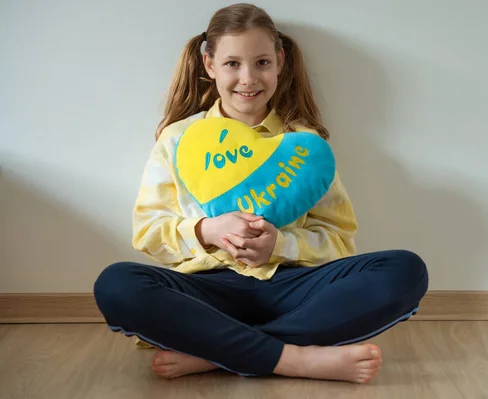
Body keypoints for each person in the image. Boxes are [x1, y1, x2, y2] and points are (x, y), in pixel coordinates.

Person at [93, 2, 428, 384]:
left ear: (280, 62)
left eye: (262, 63)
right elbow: (148, 231)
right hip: (206, 288)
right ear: (209, 66)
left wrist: (280, 245)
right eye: (232, 63)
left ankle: (217, 354)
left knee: (406, 270)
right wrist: (208, 230)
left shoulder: (305, 147)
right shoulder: (177, 140)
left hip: (291, 288)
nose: (248, 78)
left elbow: (339, 241)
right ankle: (296, 359)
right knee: (117, 284)